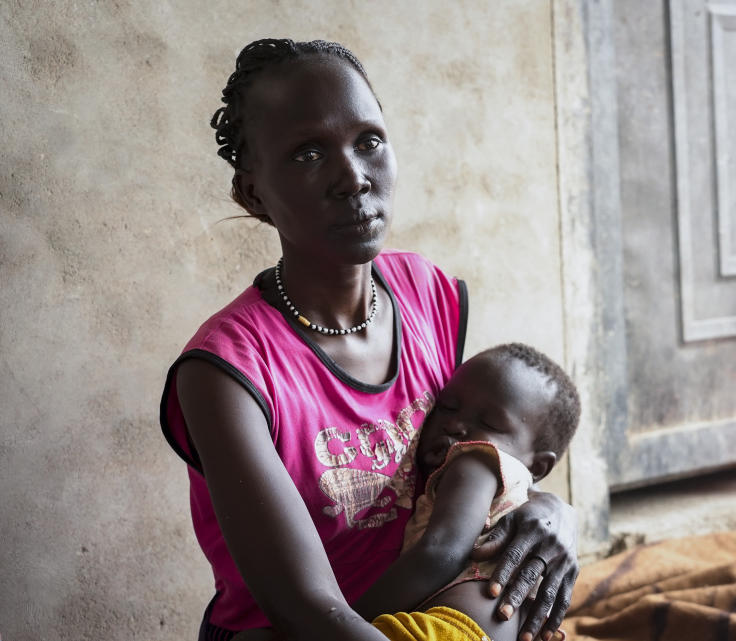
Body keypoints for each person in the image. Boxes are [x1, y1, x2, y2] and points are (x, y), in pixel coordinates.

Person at [160, 38, 578, 641]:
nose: (353, 177)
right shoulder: (226, 373)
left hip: (416, 615)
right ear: (253, 194)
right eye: (307, 154)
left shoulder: (425, 292)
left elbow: (470, 466)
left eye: (370, 141)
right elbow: (305, 609)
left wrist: (549, 511)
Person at [352, 342, 582, 641]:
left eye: (487, 423)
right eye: (447, 407)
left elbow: (441, 552)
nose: (455, 425)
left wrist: (346, 620)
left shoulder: (475, 460)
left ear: (538, 466)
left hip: (449, 630)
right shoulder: (519, 498)